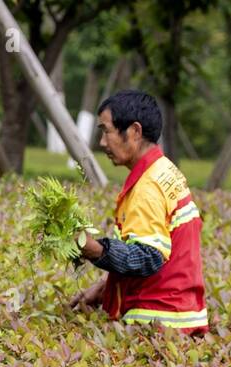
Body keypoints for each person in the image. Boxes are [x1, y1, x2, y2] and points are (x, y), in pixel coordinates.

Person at [69, 89, 208, 334]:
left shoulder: (148, 186)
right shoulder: (164, 171)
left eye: (106, 131)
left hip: (156, 324)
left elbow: (148, 256)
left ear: (134, 131)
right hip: (181, 317)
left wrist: (94, 250)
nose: (102, 143)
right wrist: (104, 287)